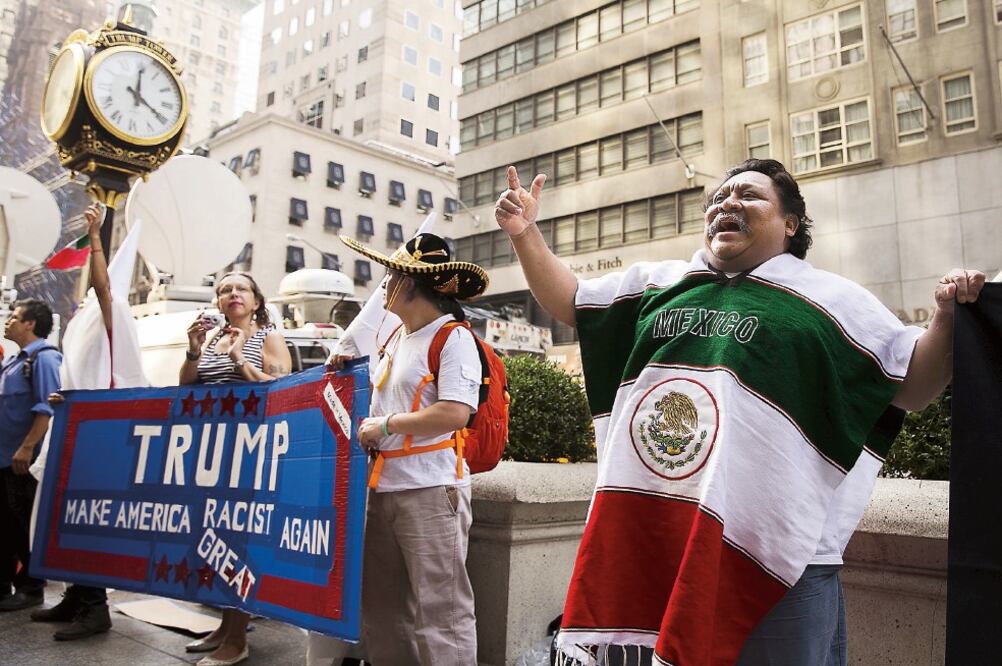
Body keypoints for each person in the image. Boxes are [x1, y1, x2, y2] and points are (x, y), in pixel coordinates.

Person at [494, 159, 985, 666]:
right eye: (719, 198)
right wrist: (525, 233)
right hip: (664, 541)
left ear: (790, 224)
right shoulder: (660, 283)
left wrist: (946, 318)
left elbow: (914, 388)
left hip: (783, 559)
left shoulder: (833, 301)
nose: (727, 203)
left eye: (749, 196)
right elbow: (571, 299)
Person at [328, 232, 486, 665]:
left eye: (389, 277)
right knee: (381, 610)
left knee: (442, 612)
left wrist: (387, 426)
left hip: (433, 492)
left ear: (409, 283)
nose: (383, 287)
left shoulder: (452, 337)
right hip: (383, 490)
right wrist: (349, 369)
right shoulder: (395, 339)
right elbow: (382, 398)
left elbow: (456, 412)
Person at [29, 203, 147, 639]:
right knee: (66, 516)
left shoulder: (115, 314)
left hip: (102, 439)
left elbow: (102, 287)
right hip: (75, 430)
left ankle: (95, 607)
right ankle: (76, 595)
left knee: (90, 519)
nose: (93, 290)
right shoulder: (87, 322)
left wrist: (97, 236)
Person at [180, 270, 291, 666]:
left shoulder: (270, 337)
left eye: (241, 288)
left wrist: (240, 359)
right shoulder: (212, 338)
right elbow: (188, 387)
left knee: (241, 542)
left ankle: (238, 637)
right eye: (225, 290)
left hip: (251, 453)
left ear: (257, 301)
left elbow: (282, 386)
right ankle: (224, 627)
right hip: (212, 455)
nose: (232, 294)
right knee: (215, 538)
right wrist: (195, 351)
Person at [0, 298, 60, 612]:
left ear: (30, 324)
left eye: (14, 316)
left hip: (21, 461)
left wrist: (26, 448)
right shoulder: (14, 360)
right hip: (3, 458)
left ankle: (31, 587)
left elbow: (46, 407)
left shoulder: (44, 359)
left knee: (22, 524)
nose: (8, 320)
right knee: (4, 525)